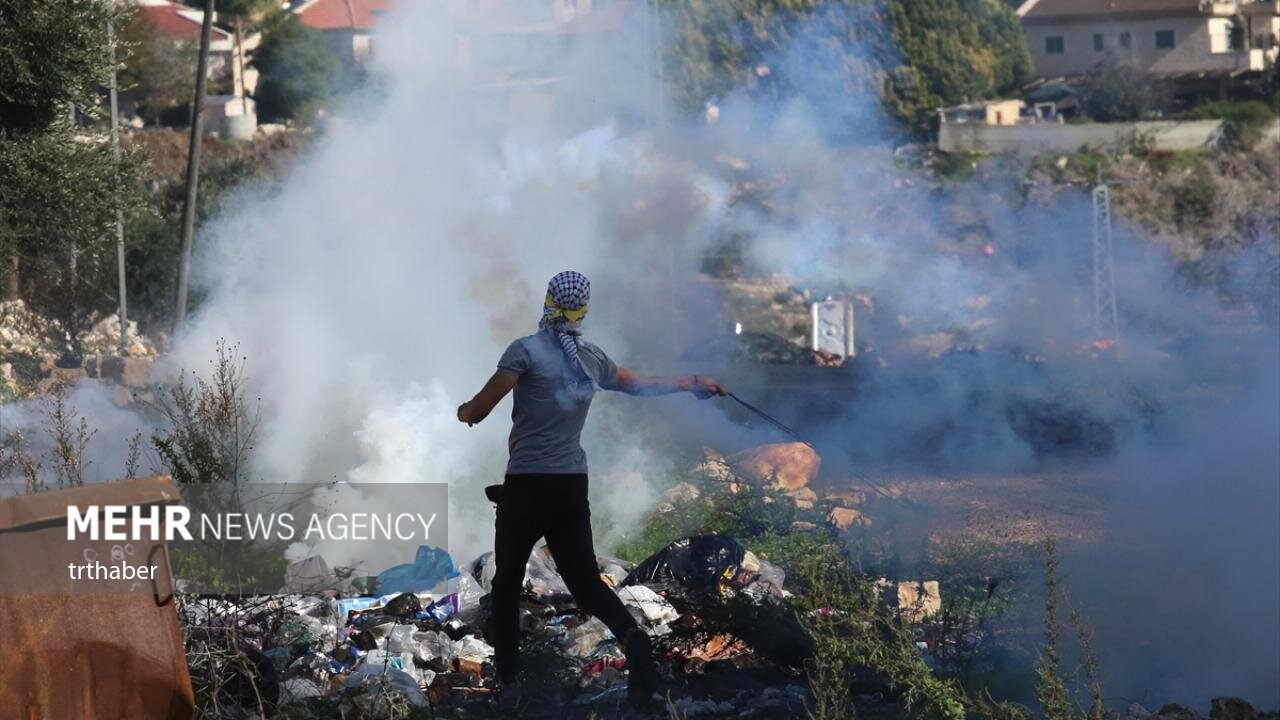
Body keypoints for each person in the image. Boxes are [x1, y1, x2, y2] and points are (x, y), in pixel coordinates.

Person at [456, 270, 727, 708]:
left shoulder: (525, 351)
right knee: (585, 583)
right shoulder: (591, 358)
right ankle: (632, 637)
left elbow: (481, 408)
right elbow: (637, 385)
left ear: (547, 301)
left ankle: (509, 685)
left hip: (525, 486)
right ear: (583, 311)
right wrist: (693, 383)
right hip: (569, 486)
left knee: (505, 582)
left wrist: (464, 412)